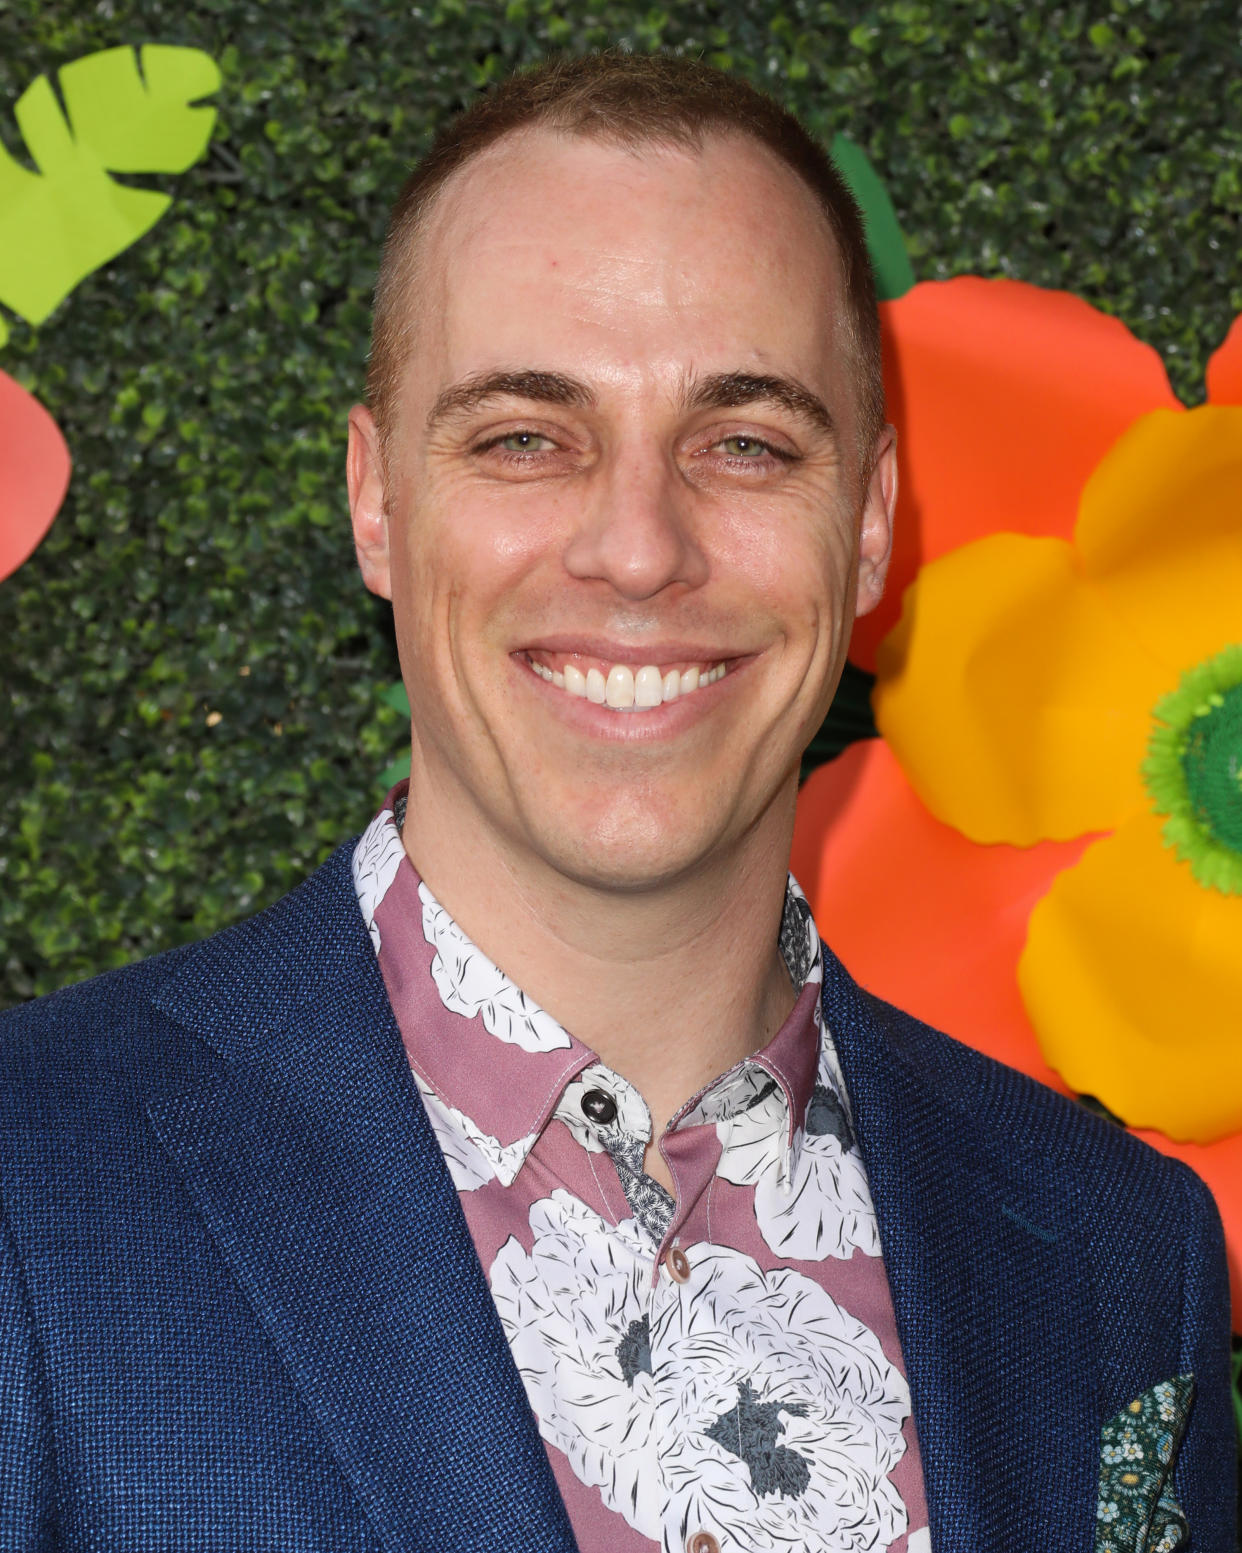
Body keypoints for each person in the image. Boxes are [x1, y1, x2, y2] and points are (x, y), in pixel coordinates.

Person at [0, 50, 1233, 1553]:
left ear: (864, 525)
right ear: (377, 500)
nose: (639, 547)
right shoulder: (32, 1180)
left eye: (744, 443)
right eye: (527, 436)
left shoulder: (1115, 1253)